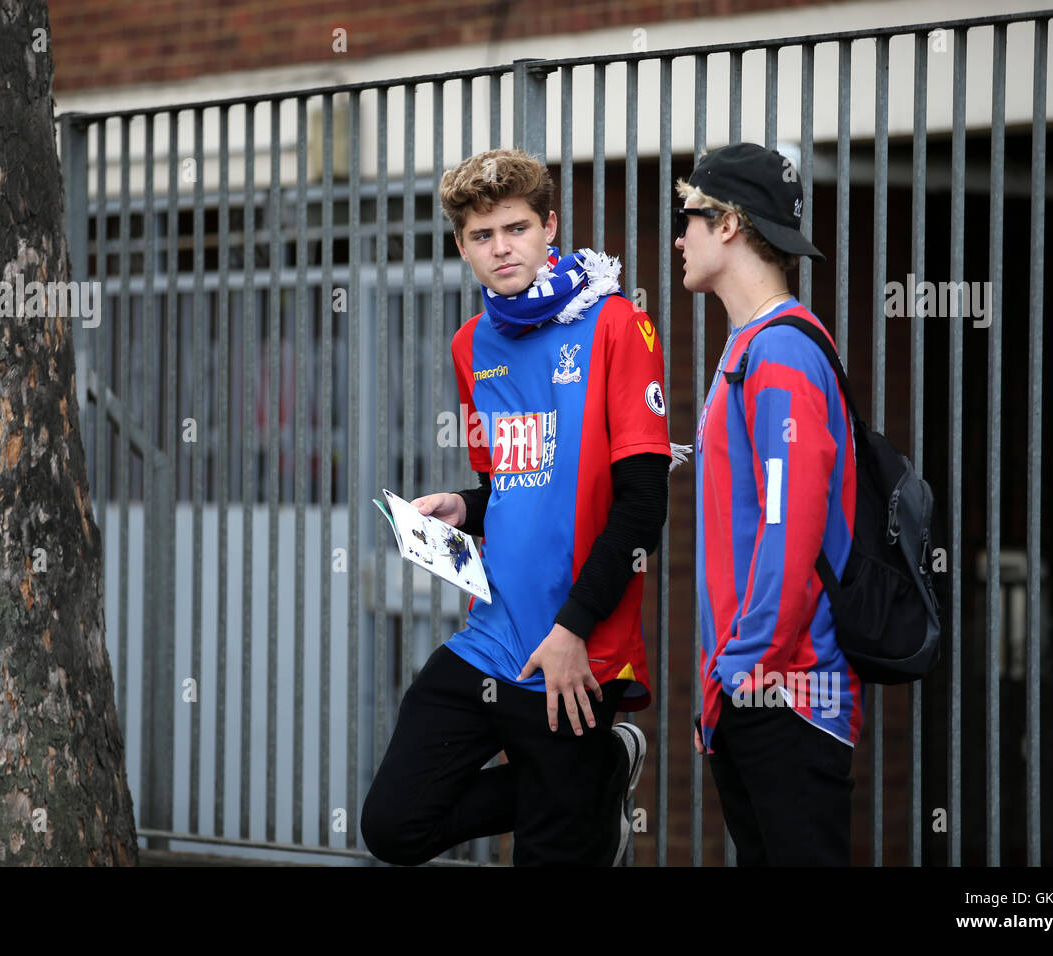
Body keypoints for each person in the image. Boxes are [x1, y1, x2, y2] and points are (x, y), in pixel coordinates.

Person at [360, 147, 672, 866]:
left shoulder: (619, 326)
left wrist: (573, 629)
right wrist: (466, 508)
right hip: (490, 639)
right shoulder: (471, 346)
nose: (501, 248)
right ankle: (599, 777)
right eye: (481, 235)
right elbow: (512, 483)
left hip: (576, 657)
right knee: (395, 824)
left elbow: (642, 505)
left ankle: (589, 777)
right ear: (462, 246)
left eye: (517, 228)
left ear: (550, 226)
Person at [677, 142, 862, 865]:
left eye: (688, 216)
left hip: (783, 691)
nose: (678, 236)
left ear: (728, 224)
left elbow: (791, 529)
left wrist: (736, 670)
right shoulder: (750, 346)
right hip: (755, 688)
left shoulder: (780, 355)